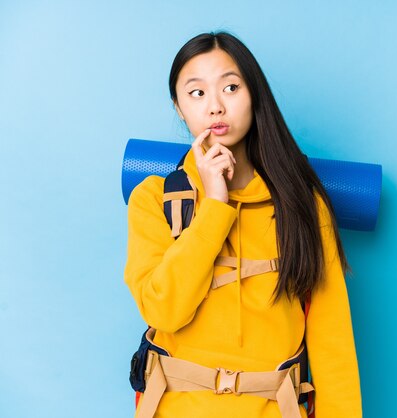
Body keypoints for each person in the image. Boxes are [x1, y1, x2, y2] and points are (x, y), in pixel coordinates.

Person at [124, 31, 362, 418]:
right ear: (179, 107)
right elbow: (162, 311)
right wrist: (215, 206)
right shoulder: (153, 199)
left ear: (254, 96)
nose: (215, 106)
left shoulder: (303, 205)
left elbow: (333, 343)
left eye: (230, 87)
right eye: (197, 93)